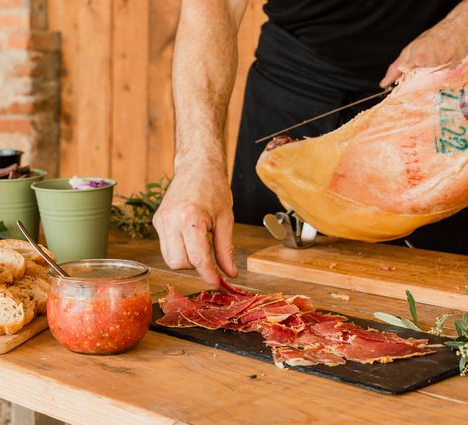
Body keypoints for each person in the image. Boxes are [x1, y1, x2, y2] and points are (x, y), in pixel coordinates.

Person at [153, 0, 468, 287]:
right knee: (269, 297)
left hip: (447, 85)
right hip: (296, 86)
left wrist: (460, 23)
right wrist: (197, 163)